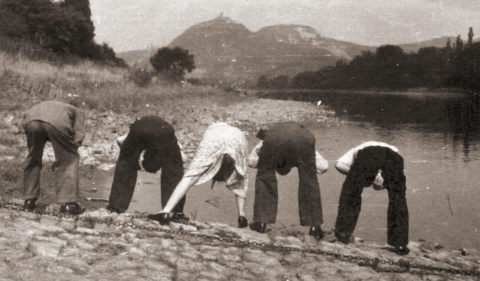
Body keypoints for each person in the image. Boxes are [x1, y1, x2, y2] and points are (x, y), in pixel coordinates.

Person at [147, 122, 249, 228]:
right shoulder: (239, 133)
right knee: (241, 176)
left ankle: (166, 211)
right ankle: (242, 215)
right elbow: (243, 172)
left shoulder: (210, 131)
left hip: (215, 138)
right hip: (238, 140)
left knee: (190, 176)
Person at [247, 122, 329, 240]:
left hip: (275, 141)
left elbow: (251, 161)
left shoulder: (265, 141)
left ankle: (261, 223)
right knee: (309, 182)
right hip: (304, 138)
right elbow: (324, 166)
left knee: (264, 178)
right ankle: (315, 227)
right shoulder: (296, 133)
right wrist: (299, 163)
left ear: (262, 136)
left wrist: (267, 162)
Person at [334, 141, 410, 255]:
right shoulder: (394, 150)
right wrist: (380, 181)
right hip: (394, 158)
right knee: (398, 198)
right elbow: (390, 180)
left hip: (367, 156)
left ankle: (343, 233)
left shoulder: (357, 149)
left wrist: (356, 175)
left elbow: (339, 164)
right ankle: (400, 244)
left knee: (350, 193)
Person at [106, 116, 188, 221]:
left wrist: (131, 159)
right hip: (162, 131)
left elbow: (119, 141)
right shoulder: (171, 143)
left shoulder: (166, 142)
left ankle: (116, 207)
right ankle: (175, 211)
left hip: (140, 127)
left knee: (125, 164)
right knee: (173, 172)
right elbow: (184, 159)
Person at [23, 100, 85, 215]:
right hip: (57, 122)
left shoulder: (50, 104)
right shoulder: (78, 111)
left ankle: (29, 201)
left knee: (33, 158)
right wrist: (67, 153)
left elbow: (26, 121)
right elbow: (79, 137)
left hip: (31, 119)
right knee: (69, 159)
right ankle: (69, 204)